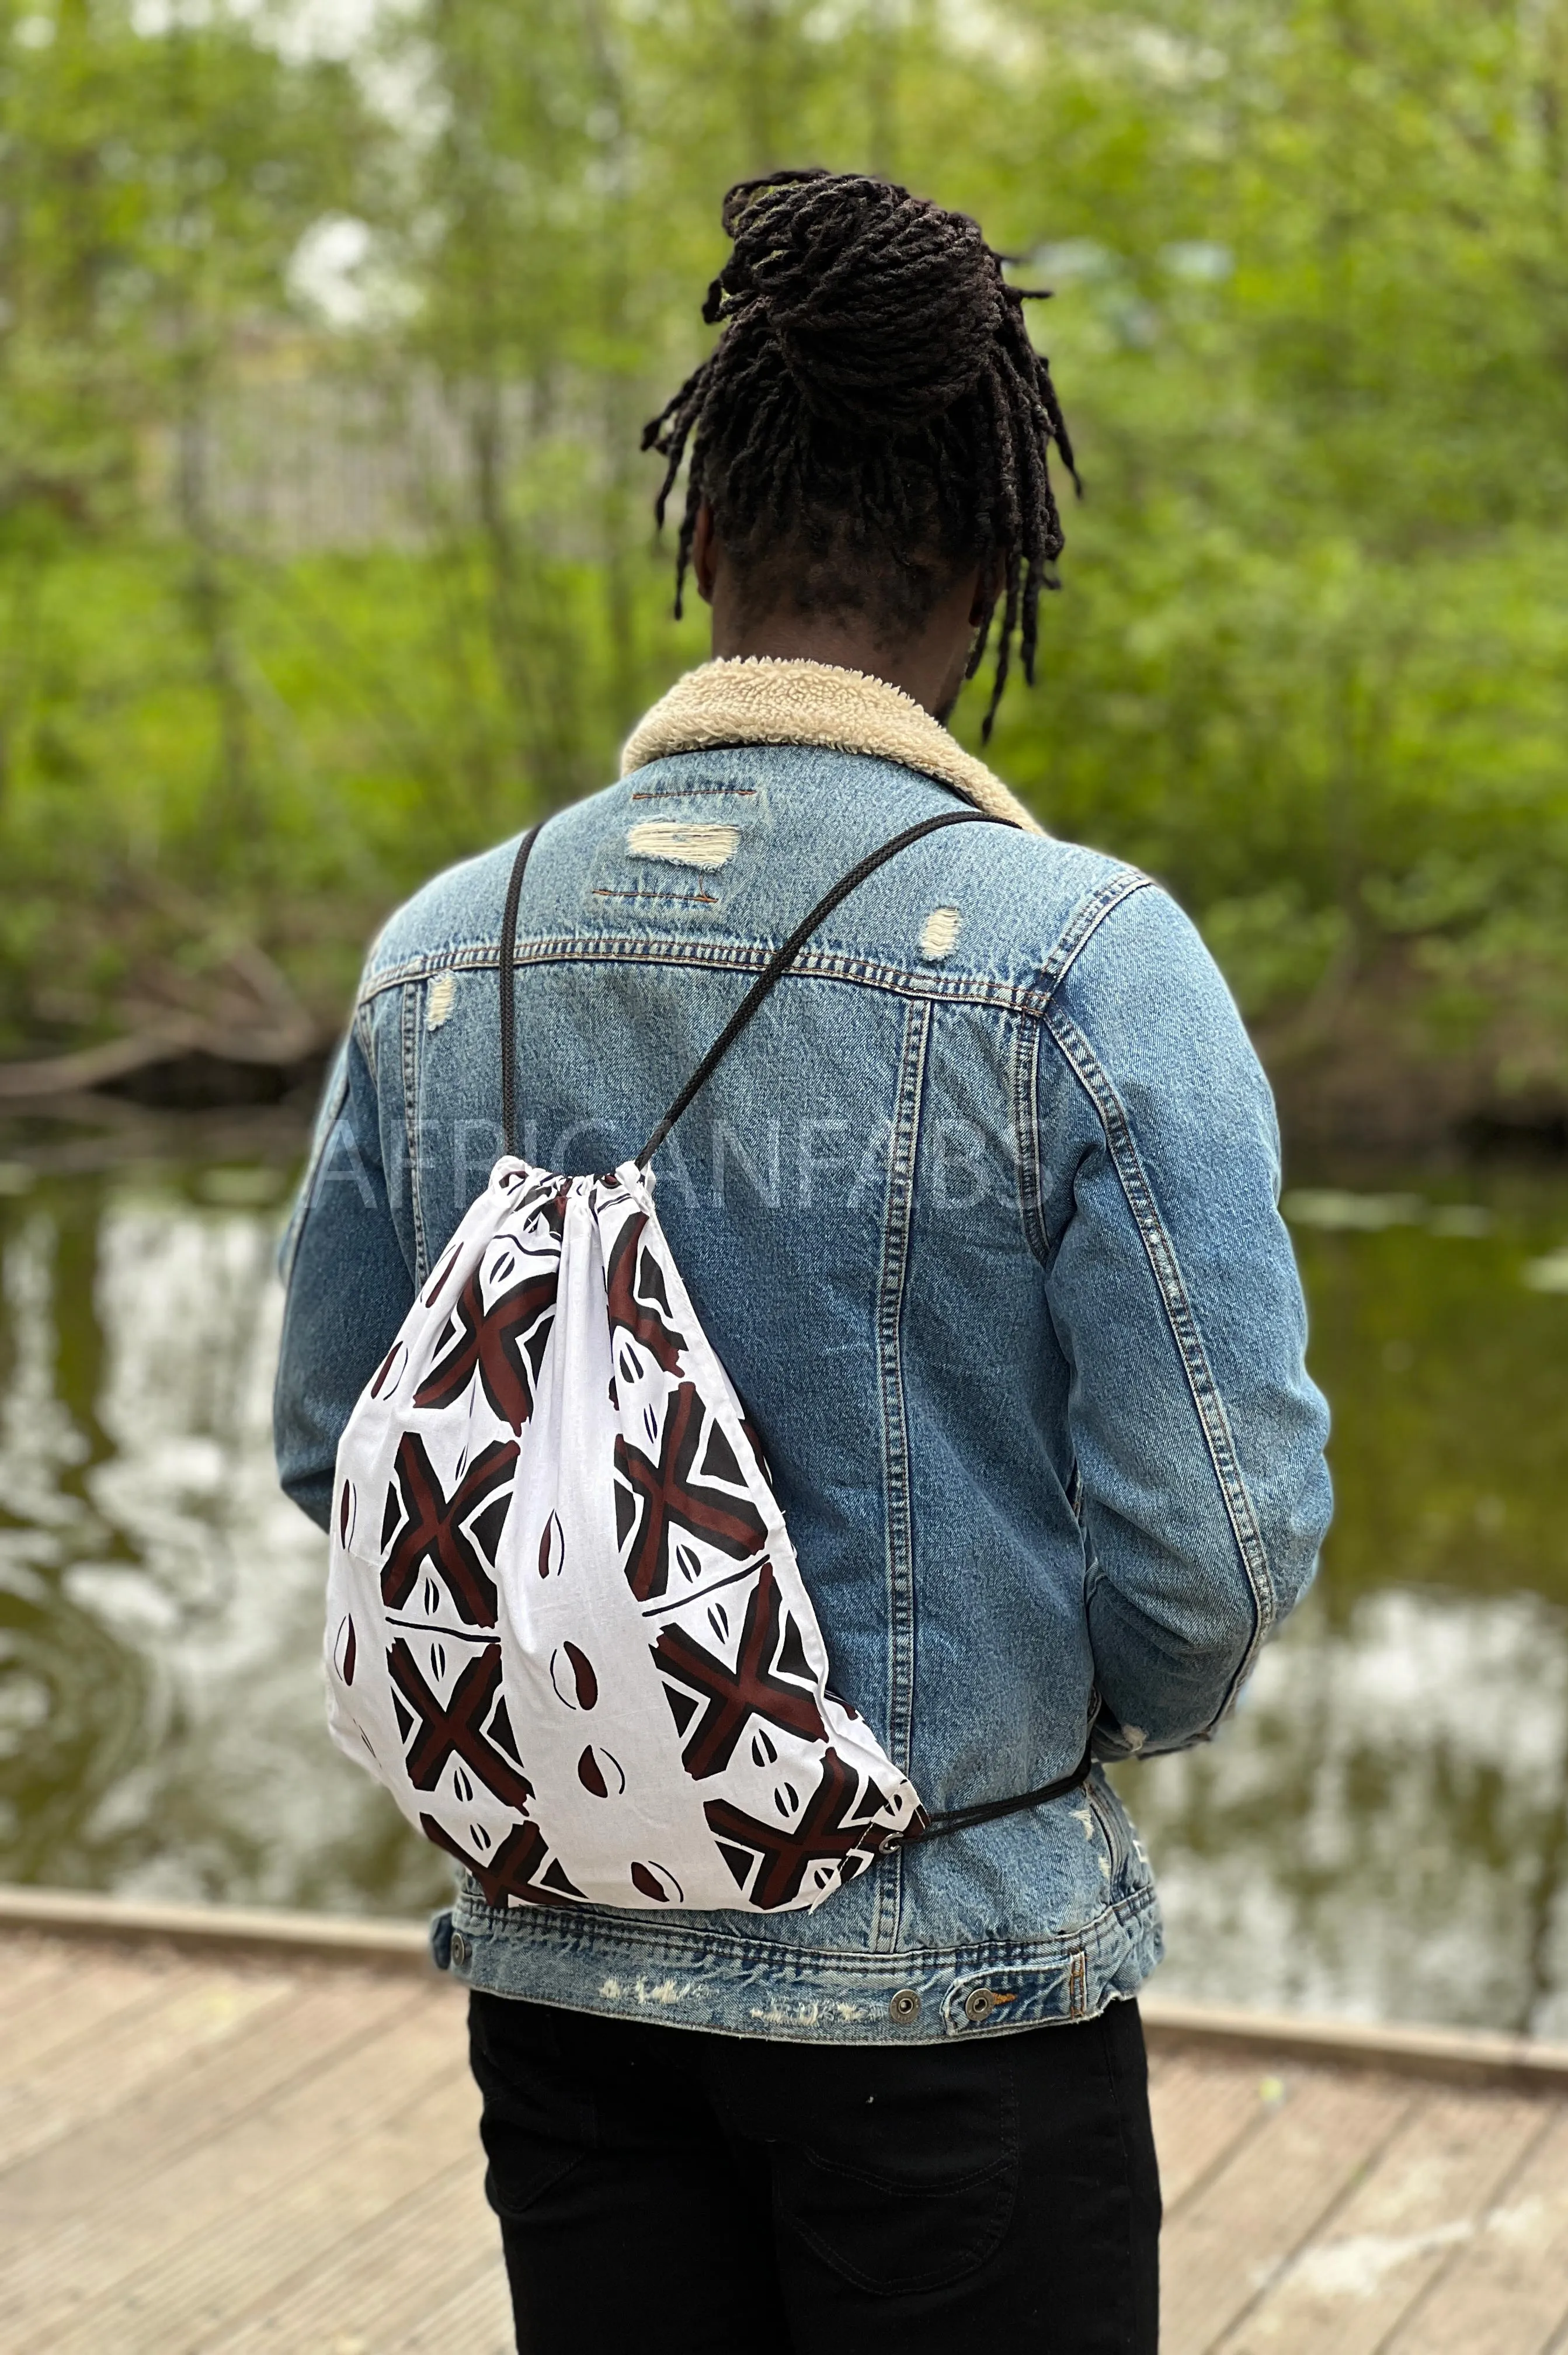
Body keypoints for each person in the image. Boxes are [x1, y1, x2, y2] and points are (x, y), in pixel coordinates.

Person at [274, 168, 1330, 2355]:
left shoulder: (444, 952)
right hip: (952, 1990)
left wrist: (598, 1700)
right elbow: (1216, 1547)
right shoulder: (1085, 964)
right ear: (981, 582)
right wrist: (1039, 1725)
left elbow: (336, 1458)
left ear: (701, 551)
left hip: (563, 1979)